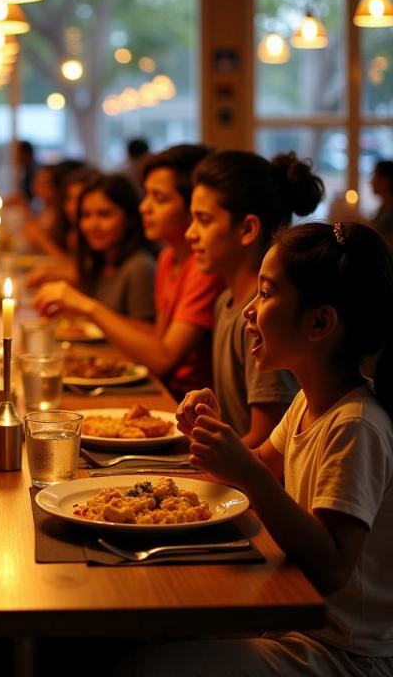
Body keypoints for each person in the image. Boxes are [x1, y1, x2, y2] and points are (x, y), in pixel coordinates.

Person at [135, 222, 393, 676]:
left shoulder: (356, 425)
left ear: (319, 322)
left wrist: (249, 475)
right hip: (293, 624)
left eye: (268, 294)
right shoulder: (308, 404)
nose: (249, 310)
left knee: (147, 664)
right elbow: (248, 469)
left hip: (344, 654)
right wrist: (216, 435)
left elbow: (332, 567)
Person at [34, 144, 222, 398]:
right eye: (146, 195)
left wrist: (87, 307)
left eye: (159, 198)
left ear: (193, 206)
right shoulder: (168, 258)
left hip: (182, 403)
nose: (144, 207)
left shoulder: (203, 268)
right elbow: (157, 336)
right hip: (157, 389)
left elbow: (164, 359)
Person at [186, 151, 323, 446]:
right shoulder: (225, 302)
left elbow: (265, 440)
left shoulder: (264, 318)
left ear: (247, 229)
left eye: (203, 220)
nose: (190, 233)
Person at [31, 174, 156, 321]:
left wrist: (87, 307)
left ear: (129, 217)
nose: (92, 225)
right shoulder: (101, 259)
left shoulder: (140, 267)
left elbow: (145, 335)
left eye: (104, 214)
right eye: (86, 215)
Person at [371, 160, 393, 248]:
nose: (371, 181)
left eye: (375, 175)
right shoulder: (385, 206)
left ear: (385, 180)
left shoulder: (390, 210)